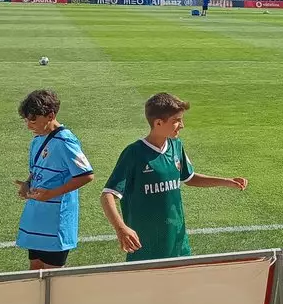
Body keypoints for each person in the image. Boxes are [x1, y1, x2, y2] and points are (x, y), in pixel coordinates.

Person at [101, 92, 247, 262]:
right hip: (145, 247)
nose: (182, 125)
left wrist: (226, 181)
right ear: (158, 123)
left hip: (178, 244)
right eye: (176, 120)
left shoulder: (176, 146)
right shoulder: (134, 153)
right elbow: (107, 195)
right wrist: (121, 228)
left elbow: (189, 178)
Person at [14, 90, 95, 270]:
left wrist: (51, 193)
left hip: (55, 220)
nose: (28, 125)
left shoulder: (65, 141)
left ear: (50, 115)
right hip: (37, 217)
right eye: (26, 120)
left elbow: (86, 175)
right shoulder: (37, 140)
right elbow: (35, 171)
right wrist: (27, 184)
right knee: (35, 270)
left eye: (33, 120)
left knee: (52, 277)